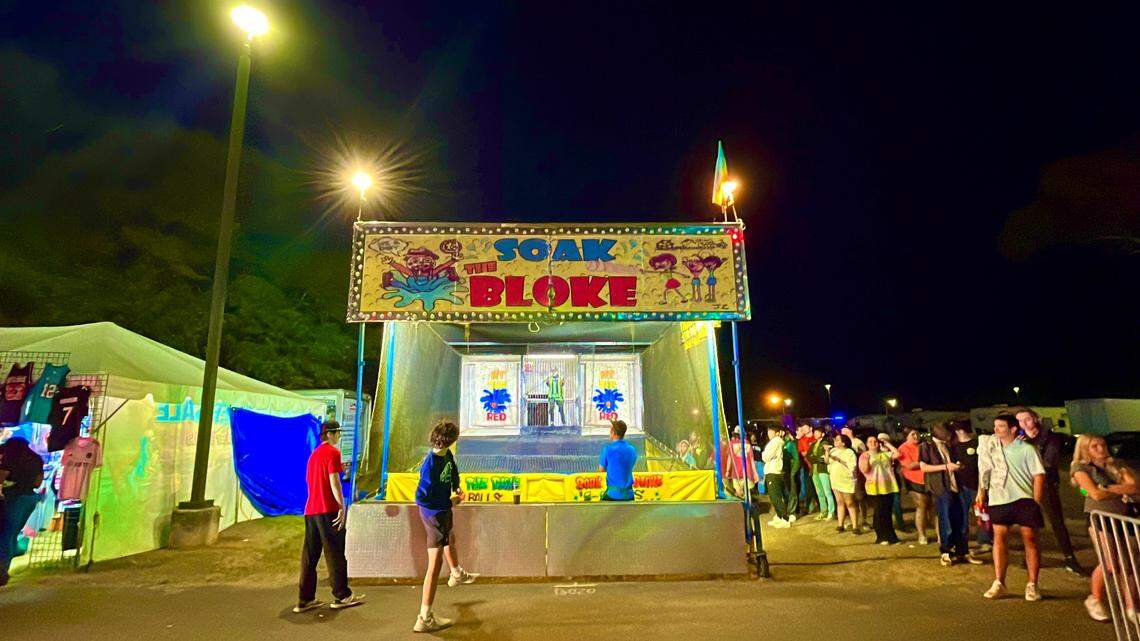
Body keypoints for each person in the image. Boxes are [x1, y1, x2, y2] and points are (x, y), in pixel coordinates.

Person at [414, 420, 476, 633]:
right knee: (434, 565)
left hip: (442, 512)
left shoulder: (446, 455)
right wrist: (449, 502)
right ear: (450, 440)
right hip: (434, 515)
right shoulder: (430, 464)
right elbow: (421, 497)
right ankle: (424, 617)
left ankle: (456, 573)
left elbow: (452, 471)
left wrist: (456, 488)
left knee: (451, 537)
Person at [294, 422, 362, 613]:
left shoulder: (313, 456)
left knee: (310, 555)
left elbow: (311, 482)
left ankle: (305, 598)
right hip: (328, 509)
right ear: (330, 434)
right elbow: (335, 482)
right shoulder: (332, 453)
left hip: (311, 511)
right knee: (335, 553)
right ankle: (342, 595)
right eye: (337, 433)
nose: (339, 436)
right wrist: (341, 506)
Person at [1070, 434, 1139, 622]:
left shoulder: (1116, 465)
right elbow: (1094, 494)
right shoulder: (1080, 467)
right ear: (1085, 449)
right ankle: (1095, 598)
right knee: (1110, 563)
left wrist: (1107, 487)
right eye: (1095, 446)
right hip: (1100, 518)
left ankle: (1132, 607)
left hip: (1124, 517)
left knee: (1130, 564)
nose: (1101, 449)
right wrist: (1118, 489)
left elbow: (1134, 487)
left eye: (1102, 445)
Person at [979, 413, 1046, 601]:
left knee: (1030, 539)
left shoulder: (1026, 449)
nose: (996, 430)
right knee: (999, 538)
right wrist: (982, 492)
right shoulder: (991, 449)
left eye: (1000, 426)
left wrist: (1036, 502)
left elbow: (1039, 476)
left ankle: (1032, 584)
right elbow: (983, 470)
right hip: (999, 498)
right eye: (995, 426)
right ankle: (999, 582)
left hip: (1023, 498)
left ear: (1013, 429)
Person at [1017, 407, 1081, 574]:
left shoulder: (1050, 438)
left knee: (1056, 521)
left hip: (1046, 485)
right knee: (1028, 523)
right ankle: (1029, 556)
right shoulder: (1019, 439)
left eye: (1027, 419)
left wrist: (1027, 446)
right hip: (1025, 486)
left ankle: (1070, 558)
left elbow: (1048, 462)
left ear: (1036, 418)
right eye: (1019, 421)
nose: (1023, 424)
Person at [920, 423, 981, 566]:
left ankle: (962, 550)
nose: (949, 435)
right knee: (946, 519)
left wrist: (957, 466)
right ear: (936, 432)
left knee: (961, 520)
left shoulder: (949, 445)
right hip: (941, 487)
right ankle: (946, 551)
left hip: (956, 486)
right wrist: (946, 467)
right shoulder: (927, 446)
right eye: (945, 432)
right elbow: (924, 467)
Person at [0, 437, 43, 587]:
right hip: (30, 498)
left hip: (14, 497)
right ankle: (5, 567)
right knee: (12, 533)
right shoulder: (37, 459)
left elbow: (1, 477)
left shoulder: (11, 458)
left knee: (5, 534)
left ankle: (2, 570)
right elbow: (38, 482)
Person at [950, 420, 991, 551]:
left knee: (982, 513)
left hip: (977, 486)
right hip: (961, 487)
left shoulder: (977, 444)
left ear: (958, 431)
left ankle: (985, 540)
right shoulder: (953, 447)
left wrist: (982, 486)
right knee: (962, 515)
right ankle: (963, 542)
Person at [859, 434, 900, 545]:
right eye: (870, 441)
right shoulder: (864, 455)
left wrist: (886, 443)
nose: (873, 443)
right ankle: (881, 537)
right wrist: (867, 460)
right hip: (874, 488)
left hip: (888, 487)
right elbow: (864, 470)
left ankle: (891, 537)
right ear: (867, 444)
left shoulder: (885, 454)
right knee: (879, 512)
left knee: (887, 513)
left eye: (875, 441)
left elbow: (898, 454)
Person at [897, 427, 932, 544]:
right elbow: (910, 465)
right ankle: (922, 535)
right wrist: (926, 463)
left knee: (933, 507)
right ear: (906, 436)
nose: (916, 436)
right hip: (913, 480)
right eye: (913, 434)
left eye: (917, 434)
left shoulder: (924, 445)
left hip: (928, 479)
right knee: (921, 506)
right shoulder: (903, 448)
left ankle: (939, 534)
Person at [828, 434, 861, 534]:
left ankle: (855, 526)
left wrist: (839, 460)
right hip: (835, 479)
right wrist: (827, 453)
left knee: (850, 503)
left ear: (843, 443)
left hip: (846, 480)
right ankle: (840, 524)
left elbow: (852, 466)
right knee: (839, 502)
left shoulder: (849, 452)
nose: (835, 441)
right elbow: (828, 463)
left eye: (838, 440)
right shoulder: (833, 451)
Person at [600, 419, 637, 501]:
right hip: (629, 495)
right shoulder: (632, 449)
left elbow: (601, 469)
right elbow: (630, 465)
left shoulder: (608, 449)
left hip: (613, 495)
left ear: (613, 433)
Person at [762, 426, 790, 528]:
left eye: (771, 432)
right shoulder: (775, 442)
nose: (769, 434)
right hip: (772, 470)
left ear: (777, 433)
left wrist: (764, 455)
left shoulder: (775, 442)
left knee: (776, 497)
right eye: (768, 431)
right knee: (774, 497)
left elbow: (766, 457)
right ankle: (779, 516)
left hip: (773, 471)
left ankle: (784, 518)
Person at [807, 425, 836, 520]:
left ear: (822, 434)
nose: (815, 433)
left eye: (817, 432)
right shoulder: (813, 444)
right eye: (815, 432)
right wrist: (816, 459)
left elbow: (823, 458)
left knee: (827, 491)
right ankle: (823, 511)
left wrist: (815, 458)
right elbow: (808, 456)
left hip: (823, 470)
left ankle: (831, 511)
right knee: (819, 492)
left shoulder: (826, 443)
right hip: (814, 471)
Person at [795, 423, 818, 516]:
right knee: (809, 486)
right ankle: (807, 507)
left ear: (811, 428)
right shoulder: (802, 439)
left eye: (805, 427)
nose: (803, 429)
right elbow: (802, 453)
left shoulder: (816, 438)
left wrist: (808, 452)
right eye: (802, 428)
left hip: (817, 466)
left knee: (820, 487)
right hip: (807, 466)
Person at [783, 429, 802, 521]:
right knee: (789, 491)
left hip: (791, 471)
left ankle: (792, 512)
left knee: (792, 491)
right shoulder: (786, 443)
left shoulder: (792, 444)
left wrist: (793, 472)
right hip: (786, 471)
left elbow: (796, 459)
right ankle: (791, 510)